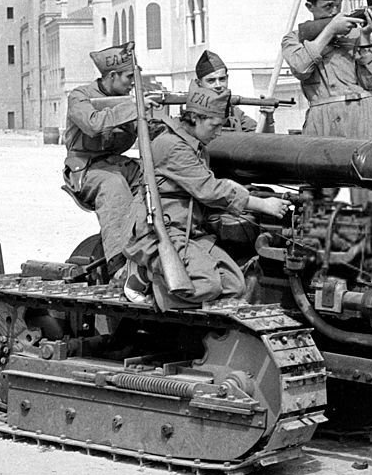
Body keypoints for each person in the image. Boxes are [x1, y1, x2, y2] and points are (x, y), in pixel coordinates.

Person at [124, 82, 289, 310]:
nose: (218, 133)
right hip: (162, 231)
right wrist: (263, 204)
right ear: (196, 118)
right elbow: (209, 190)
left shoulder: (196, 146)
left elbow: (202, 183)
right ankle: (143, 272)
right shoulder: (173, 146)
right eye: (214, 126)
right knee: (207, 286)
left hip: (189, 230)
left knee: (234, 286)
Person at [63, 43, 150, 274]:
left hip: (118, 164)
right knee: (113, 186)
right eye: (129, 77)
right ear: (112, 76)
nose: (133, 83)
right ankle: (118, 265)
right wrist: (135, 108)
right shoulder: (80, 96)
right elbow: (92, 124)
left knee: (158, 177)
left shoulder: (129, 99)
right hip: (87, 169)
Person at [281, 0, 372, 139]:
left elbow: (369, 81)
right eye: (328, 7)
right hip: (323, 120)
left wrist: (366, 35)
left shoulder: (354, 34)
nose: (334, 12)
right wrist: (330, 31)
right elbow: (301, 68)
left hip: (364, 114)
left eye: (337, 6)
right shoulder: (294, 38)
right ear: (310, 7)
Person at [194, 50, 261, 132]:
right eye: (211, 81)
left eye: (222, 79)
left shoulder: (235, 113)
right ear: (199, 83)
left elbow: (261, 138)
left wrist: (268, 117)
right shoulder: (191, 116)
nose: (218, 85)